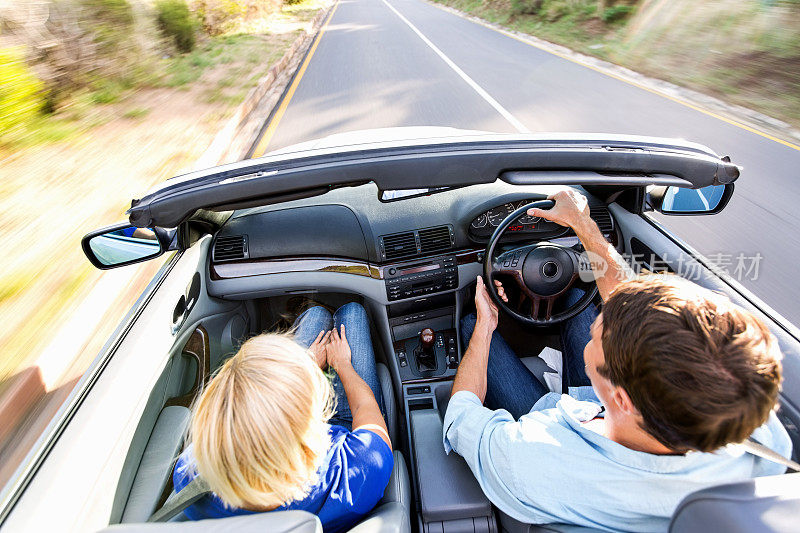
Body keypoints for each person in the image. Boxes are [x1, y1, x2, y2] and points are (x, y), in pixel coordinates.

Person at [444, 189, 792, 532]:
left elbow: (461, 415)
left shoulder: (533, 457)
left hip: (564, 429)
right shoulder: (754, 429)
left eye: (603, 333)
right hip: (605, 421)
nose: (600, 316)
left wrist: (487, 324)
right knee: (578, 297)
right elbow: (625, 300)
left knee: (471, 323)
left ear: (621, 398)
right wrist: (583, 224)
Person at [172, 302, 393, 533]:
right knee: (353, 313)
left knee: (316, 317)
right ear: (308, 439)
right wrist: (342, 365)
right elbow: (365, 409)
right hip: (346, 433)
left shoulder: (192, 481)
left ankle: (313, 314)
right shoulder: (355, 474)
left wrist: (305, 365)